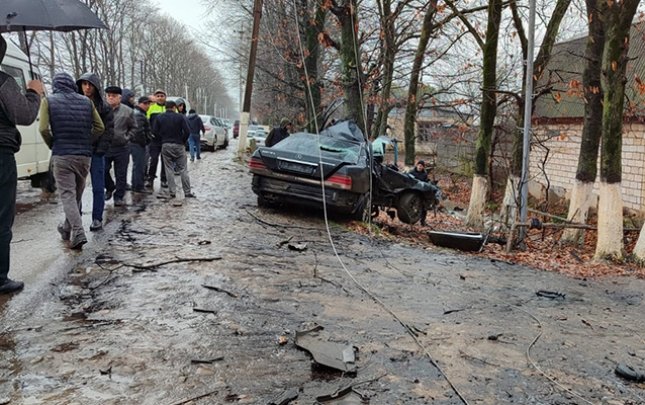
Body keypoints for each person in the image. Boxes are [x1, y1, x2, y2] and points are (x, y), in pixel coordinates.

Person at [39, 72, 104, 250]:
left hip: (62, 155)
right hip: (84, 157)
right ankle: (66, 227)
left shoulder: (48, 101)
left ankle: (78, 231)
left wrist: (53, 143)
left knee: (68, 195)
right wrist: (87, 141)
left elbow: (43, 128)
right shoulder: (86, 102)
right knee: (76, 195)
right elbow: (100, 127)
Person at [0, 35, 43, 294]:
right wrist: (33, 92)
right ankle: (0, 277)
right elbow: (24, 115)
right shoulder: (3, 81)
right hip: (1, 155)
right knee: (2, 217)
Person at [76, 73, 114, 231]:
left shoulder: (104, 107)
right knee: (77, 187)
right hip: (79, 150)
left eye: (89, 84)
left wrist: (100, 150)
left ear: (96, 86)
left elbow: (108, 131)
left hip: (97, 152)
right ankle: (75, 218)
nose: (86, 87)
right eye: (84, 84)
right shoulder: (76, 103)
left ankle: (97, 218)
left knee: (98, 187)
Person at [152, 100, 194, 206]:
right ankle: (187, 192)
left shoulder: (159, 117)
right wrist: (182, 141)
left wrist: (163, 139)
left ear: (165, 107)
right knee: (183, 169)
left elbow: (155, 132)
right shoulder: (180, 117)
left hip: (166, 145)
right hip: (179, 145)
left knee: (169, 169)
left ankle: (172, 192)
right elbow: (188, 131)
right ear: (174, 107)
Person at [104, 86, 136, 206]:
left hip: (122, 147)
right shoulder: (102, 110)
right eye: (109, 95)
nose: (111, 98)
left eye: (114, 96)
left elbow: (134, 127)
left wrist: (127, 137)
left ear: (119, 97)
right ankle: (109, 187)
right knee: (103, 170)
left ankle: (119, 196)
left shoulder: (127, 111)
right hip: (106, 147)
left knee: (121, 174)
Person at [146, 89, 167, 189]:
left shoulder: (170, 107)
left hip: (166, 139)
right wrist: (149, 134)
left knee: (165, 161)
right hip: (154, 140)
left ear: (165, 97)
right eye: (158, 96)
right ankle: (150, 179)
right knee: (153, 160)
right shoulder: (151, 107)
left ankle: (164, 180)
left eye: (162, 95)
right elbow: (146, 121)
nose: (160, 97)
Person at [131, 96, 152, 193]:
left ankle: (136, 184)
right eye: (145, 103)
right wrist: (145, 141)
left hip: (136, 143)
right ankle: (138, 186)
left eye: (148, 103)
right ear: (140, 104)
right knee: (139, 165)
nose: (147, 106)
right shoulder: (139, 115)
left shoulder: (138, 113)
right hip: (138, 144)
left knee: (138, 165)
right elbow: (138, 131)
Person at [409, 160, 429, 225]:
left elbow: (426, 183)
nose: (420, 167)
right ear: (417, 165)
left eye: (421, 166)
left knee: (424, 207)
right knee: (411, 206)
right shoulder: (412, 172)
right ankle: (411, 220)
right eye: (419, 165)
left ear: (423, 167)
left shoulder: (424, 174)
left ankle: (423, 221)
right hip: (412, 191)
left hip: (421, 192)